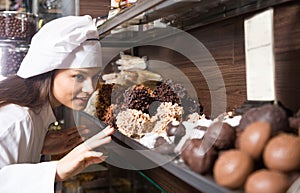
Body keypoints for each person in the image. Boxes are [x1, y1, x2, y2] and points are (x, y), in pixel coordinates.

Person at [0, 15, 114, 193]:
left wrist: (39, 146)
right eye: (79, 76)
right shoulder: (18, 119)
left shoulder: (35, 115)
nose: (90, 88)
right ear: (48, 72)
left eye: (95, 77)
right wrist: (57, 170)